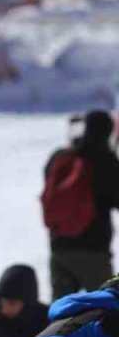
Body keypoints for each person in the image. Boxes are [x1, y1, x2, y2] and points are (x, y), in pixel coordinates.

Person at [42, 111, 119, 299]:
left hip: (59, 247)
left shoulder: (60, 157)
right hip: (94, 250)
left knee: (61, 314)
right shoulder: (105, 161)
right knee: (105, 311)